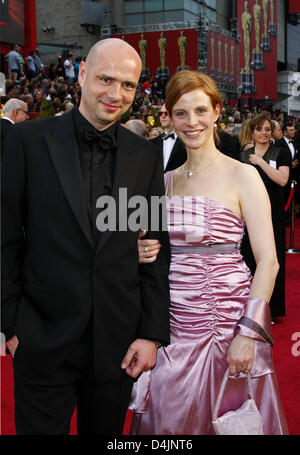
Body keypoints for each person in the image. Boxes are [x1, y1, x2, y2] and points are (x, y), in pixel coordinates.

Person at [1, 38, 170, 435]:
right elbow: (6, 237)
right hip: (41, 337)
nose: (116, 94)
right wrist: (10, 325)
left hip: (117, 343)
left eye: (128, 85)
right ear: (82, 76)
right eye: (106, 80)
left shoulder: (145, 155)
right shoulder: (27, 142)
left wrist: (150, 333)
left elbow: (155, 246)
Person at [130, 70, 288, 435]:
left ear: (217, 112)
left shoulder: (243, 175)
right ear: (168, 116)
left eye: (201, 110)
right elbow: (135, 239)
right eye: (181, 113)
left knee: (231, 420)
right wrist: (135, 249)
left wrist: (248, 333)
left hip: (228, 325)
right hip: (171, 325)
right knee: (170, 420)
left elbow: (268, 261)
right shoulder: (163, 181)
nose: (192, 122)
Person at [240, 113, 290, 321]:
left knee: (271, 259)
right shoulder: (243, 155)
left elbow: (282, 180)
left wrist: (260, 162)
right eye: (259, 129)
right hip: (247, 215)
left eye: (267, 129)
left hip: (273, 214)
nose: (263, 133)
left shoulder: (280, 152)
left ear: (272, 133)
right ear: (252, 132)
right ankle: (247, 308)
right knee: (248, 259)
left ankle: (270, 309)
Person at [151, 103, 186, 172]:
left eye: (166, 113)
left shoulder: (186, 142)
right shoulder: (152, 143)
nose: (163, 116)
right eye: (161, 113)